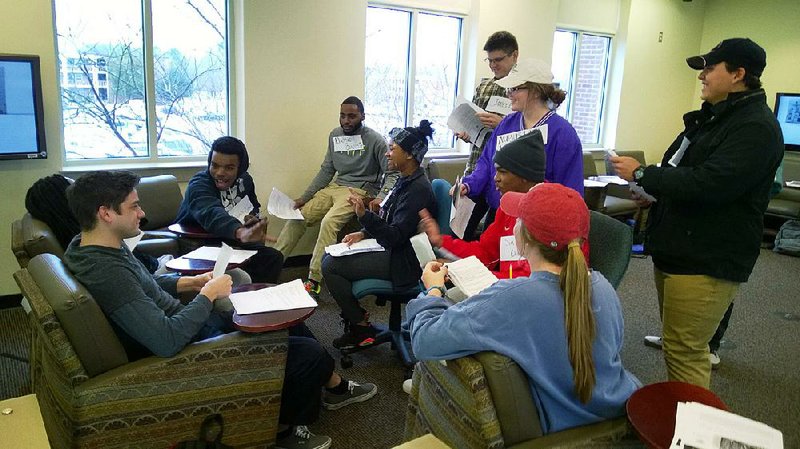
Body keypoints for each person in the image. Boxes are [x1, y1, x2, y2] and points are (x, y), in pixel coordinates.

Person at [64, 171, 377, 449]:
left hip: (189, 323)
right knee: (306, 353)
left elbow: (146, 286)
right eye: (134, 206)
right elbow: (166, 340)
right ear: (105, 213)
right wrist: (208, 296)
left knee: (286, 318)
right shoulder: (108, 272)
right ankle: (283, 432)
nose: (142, 213)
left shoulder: (93, 246)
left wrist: (190, 283)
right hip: (189, 346)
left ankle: (333, 386)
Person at [611, 38, 783, 387]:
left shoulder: (755, 128)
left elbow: (709, 184)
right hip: (680, 247)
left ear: (738, 74)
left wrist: (644, 174)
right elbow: (684, 172)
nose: (701, 76)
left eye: (710, 68)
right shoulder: (715, 118)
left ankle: (693, 434)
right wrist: (654, 193)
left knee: (686, 351)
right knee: (678, 344)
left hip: (707, 256)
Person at [405, 183, 641, 433]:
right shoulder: (602, 286)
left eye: (518, 220)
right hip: (624, 414)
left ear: (524, 236)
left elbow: (424, 340)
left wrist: (433, 290)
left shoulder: (512, 299)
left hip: (566, 434)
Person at [322, 120, 436, 349]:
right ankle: (359, 322)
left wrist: (364, 216)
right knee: (330, 259)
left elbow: (395, 235)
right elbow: (389, 217)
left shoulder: (417, 189)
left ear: (410, 155)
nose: (387, 153)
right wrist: (363, 233)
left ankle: (360, 326)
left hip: (405, 261)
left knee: (331, 266)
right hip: (395, 249)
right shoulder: (405, 180)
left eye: (393, 148)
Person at [275, 96, 396, 299]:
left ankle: (314, 281)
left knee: (329, 222)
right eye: (343, 116)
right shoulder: (334, 135)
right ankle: (272, 264)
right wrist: (303, 198)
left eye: (352, 116)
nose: (346, 120)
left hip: (359, 190)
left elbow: (392, 173)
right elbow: (327, 170)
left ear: (362, 116)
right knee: (298, 217)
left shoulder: (375, 140)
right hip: (335, 187)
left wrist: (381, 197)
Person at [457, 58, 584, 228]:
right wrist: (469, 184)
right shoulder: (507, 124)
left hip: (538, 220)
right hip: (501, 214)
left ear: (536, 91)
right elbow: (487, 162)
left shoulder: (562, 133)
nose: (509, 94)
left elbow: (570, 190)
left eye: (515, 89)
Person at [176, 136, 285, 284]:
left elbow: (254, 206)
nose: (220, 172)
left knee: (273, 257)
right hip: (201, 243)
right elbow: (213, 213)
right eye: (214, 165)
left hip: (232, 240)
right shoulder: (199, 184)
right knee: (238, 272)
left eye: (229, 168)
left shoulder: (245, 180)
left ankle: (254, 301)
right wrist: (240, 231)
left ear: (240, 168)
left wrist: (251, 219)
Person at [457, 31, 519, 241]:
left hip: (504, 174)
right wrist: (468, 132)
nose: (493, 65)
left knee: (493, 238)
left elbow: (530, 132)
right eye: (490, 60)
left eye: (498, 60)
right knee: (462, 231)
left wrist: (501, 124)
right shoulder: (484, 85)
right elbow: (475, 119)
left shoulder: (523, 90)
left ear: (514, 56)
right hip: (477, 165)